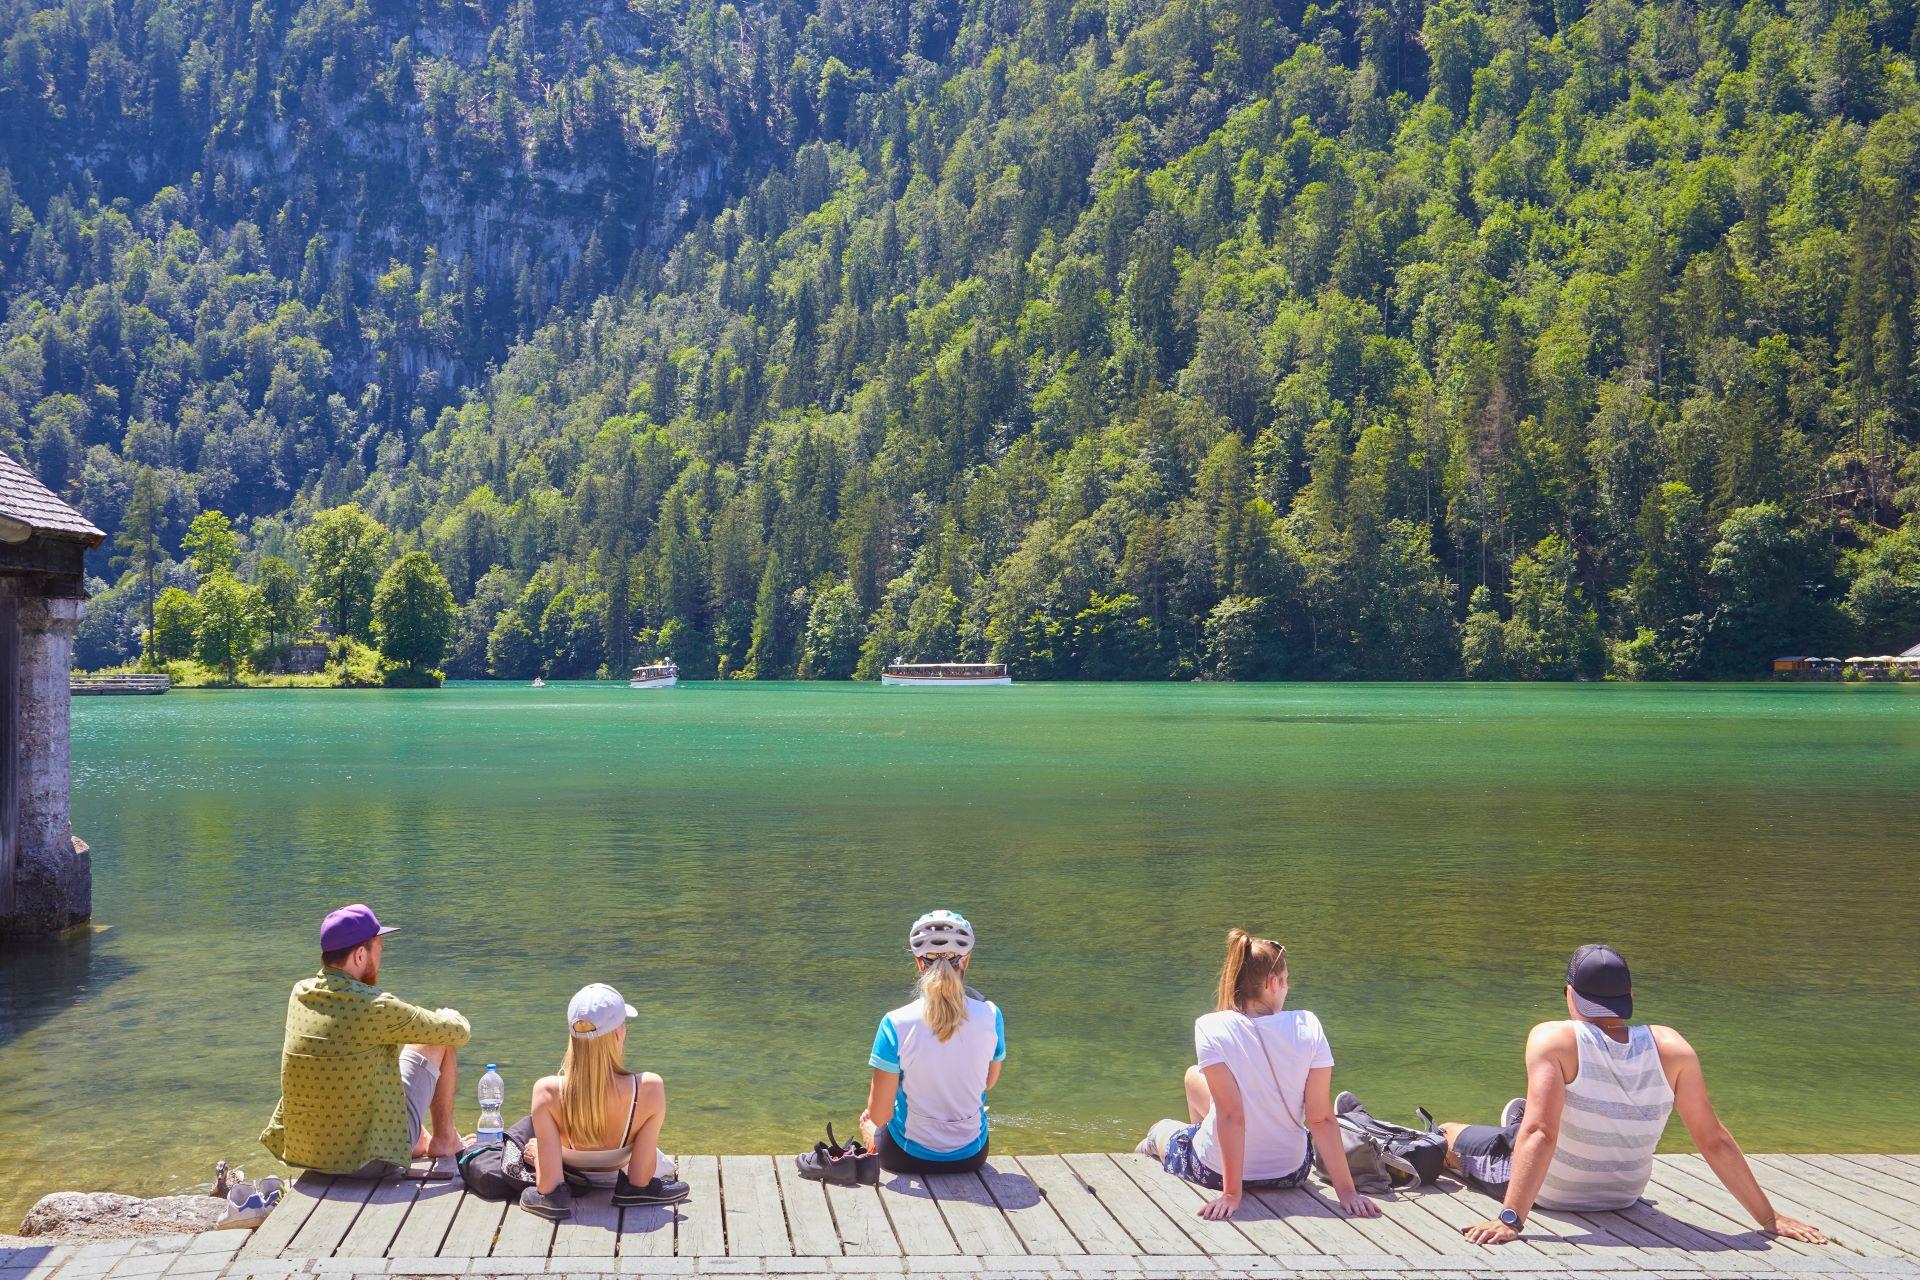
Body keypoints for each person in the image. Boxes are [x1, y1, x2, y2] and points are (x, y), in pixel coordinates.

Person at [1443, 944, 1827, 1246]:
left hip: (1555, 1192)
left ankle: (1501, 1130)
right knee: (1525, 1122)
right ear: (1629, 995)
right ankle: (1514, 1124)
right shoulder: (1672, 1045)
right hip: (1625, 1193)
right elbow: (1714, 1140)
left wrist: (1511, 1219)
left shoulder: (1553, 1038)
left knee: (1449, 1134)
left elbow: (1541, 1133)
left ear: (1569, 994)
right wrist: (1770, 1218)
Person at [1137, 929, 1380, 1222]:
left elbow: (1232, 1116)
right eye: (1286, 981)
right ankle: (1209, 1141)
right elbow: (1320, 1118)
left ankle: (1158, 1142)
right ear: (1272, 982)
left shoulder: (1209, 1026)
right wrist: (1347, 1193)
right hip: (1291, 1172)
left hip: (1215, 1173)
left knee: (1163, 1128)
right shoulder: (1309, 1026)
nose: (1287, 988)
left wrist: (1231, 1195)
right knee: (1195, 1077)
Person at [261, 904, 470, 1177]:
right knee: (437, 1039)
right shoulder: (374, 1006)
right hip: (367, 1162)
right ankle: (445, 1141)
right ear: (360, 955)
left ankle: (417, 1139)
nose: (380, 958)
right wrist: (448, 1013)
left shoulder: (300, 993)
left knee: (360, 1061)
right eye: (379, 949)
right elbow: (457, 1032)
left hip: (308, 1155)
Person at [517, 982, 688, 1219]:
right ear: (619, 1033)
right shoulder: (649, 1088)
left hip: (573, 1176)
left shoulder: (546, 1091)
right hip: (622, 1175)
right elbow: (639, 1181)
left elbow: (548, 1190)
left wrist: (537, 1158)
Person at [858, 910, 1005, 1174]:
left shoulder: (895, 1023)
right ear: (966, 961)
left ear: (919, 963)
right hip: (972, 1156)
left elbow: (880, 1115)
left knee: (869, 1120)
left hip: (905, 1157)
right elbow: (988, 1083)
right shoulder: (992, 1015)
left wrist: (870, 1128)